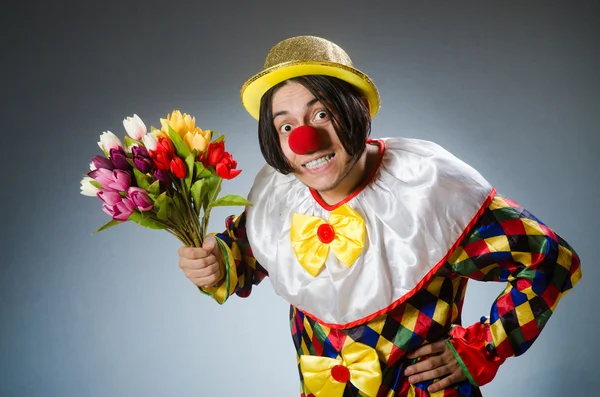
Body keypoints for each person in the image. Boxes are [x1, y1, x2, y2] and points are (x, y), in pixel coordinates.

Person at [177, 36, 582, 397]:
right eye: (286, 126)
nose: (305, 139)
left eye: (321, 115)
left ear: (353, 112)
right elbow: (248, 256)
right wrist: (216, 263)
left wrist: (480, 348)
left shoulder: (426, 188)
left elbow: (551, 260)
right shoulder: (278, 195)